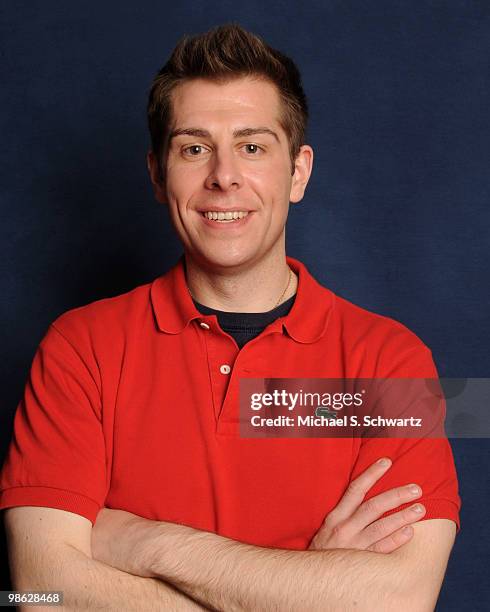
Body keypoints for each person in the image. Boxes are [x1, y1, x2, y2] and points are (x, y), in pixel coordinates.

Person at [1, 24, 460, 611]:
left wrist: (151, 545)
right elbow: (41, 592)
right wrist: (307, 588)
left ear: (298, 171)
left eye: (252, 146)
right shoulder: (78, 348)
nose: (223, 176)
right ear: (157, 175)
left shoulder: (393, 362)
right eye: (194, 148)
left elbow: (400, 600)